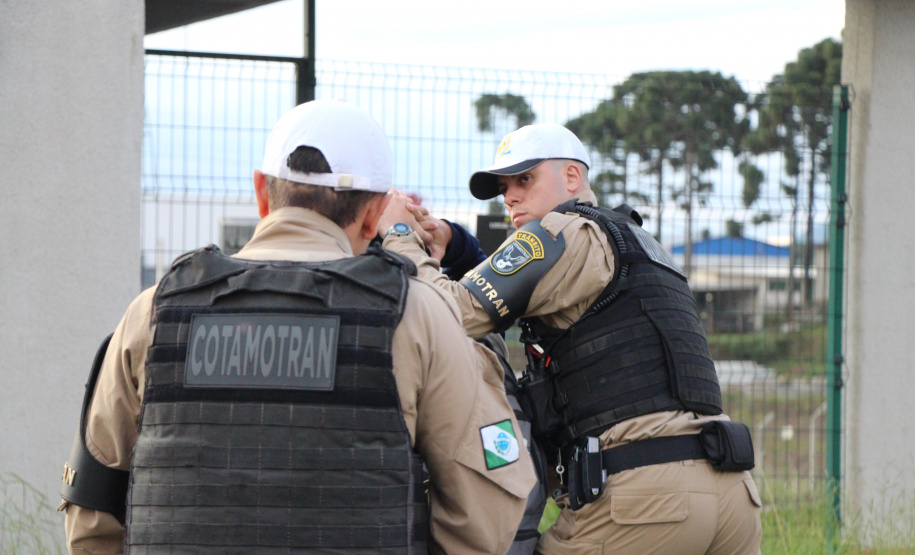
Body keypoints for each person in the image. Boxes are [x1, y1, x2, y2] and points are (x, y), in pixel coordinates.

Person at [59, 99, 537, 554]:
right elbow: (487, 500)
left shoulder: (153, 312)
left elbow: (92, 512)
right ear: (373, 215)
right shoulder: (417, 315)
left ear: (261, 192)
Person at [377, 123, 763, 554]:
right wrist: (456, 244)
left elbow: (448, 315)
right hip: (731, 491)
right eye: (505, 187)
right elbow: (512, 288)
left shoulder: (562, 231)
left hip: (645, 499)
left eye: (526, 179)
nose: (512, 197)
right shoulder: (637, 240)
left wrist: (399, 236)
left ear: (573, 178)